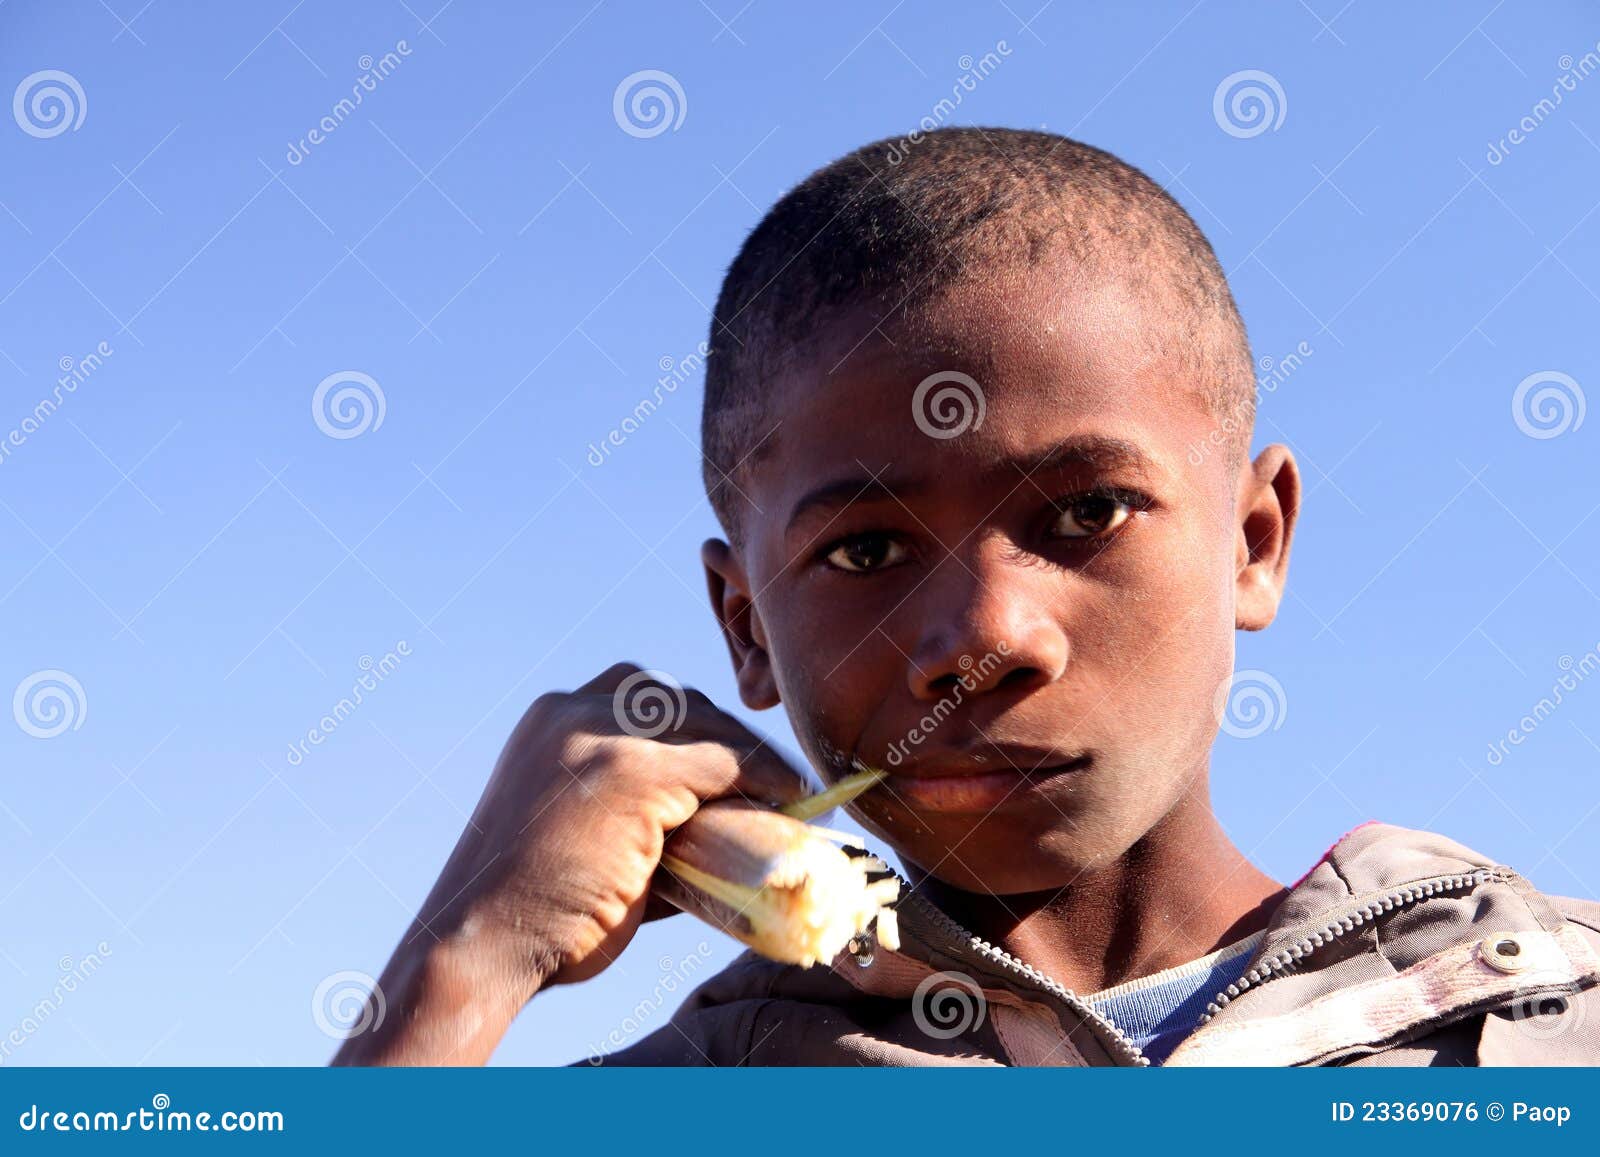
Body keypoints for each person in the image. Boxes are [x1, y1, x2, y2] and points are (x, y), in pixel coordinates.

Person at [334, 128, 1600, 1067]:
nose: (980, 641)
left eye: (1086, 512)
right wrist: (456, 971)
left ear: (1253, 541)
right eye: (865, 552)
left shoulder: (1554, 1012)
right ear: (742, 628)